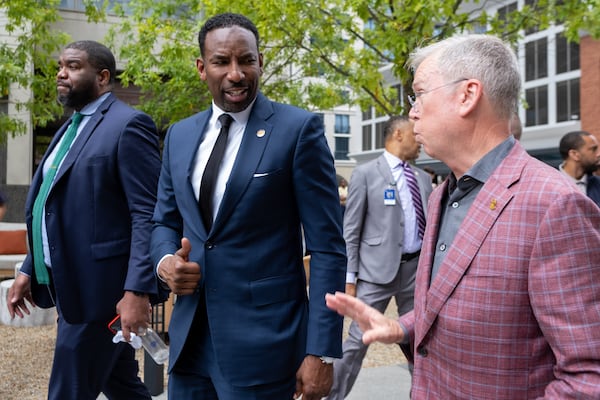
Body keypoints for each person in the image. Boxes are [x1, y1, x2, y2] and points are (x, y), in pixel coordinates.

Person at [326, 34, 600, 399]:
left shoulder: (554, 204)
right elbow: (454, 303)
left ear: (467, 96)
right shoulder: (443, 194)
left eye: (419, 94)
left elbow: (587, 375)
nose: (412, 112)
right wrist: (402, 328)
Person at [150, 13, 346, 400]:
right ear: (202, 68)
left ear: (261, 63)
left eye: (247, 61)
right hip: (189, 342)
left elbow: (327, 247)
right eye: (222, 62)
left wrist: (321, 350)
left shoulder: (298, 130)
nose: (236, 73)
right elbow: (163, 221)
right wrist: (165, 264)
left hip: (265, 345)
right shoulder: (179, 135)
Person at [7, 40, 162, 400]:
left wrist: (137, 290)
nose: (62, 73)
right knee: (121, 385)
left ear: (103, 77)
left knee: (68, 391)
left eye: (73, 66)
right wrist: (29, 268)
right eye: (60, 65)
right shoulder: (69, 129)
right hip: (69, 286)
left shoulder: (129, 125)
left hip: (102, 294)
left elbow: (146, 214)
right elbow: (51, 207)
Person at [326, 115, 431, 400]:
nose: (419, 139)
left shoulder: (423, 178)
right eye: (413, 134)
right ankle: (332, 396)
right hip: (375, 273)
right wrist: (350, 278)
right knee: (357, 342)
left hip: (415, 271)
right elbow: (351, 231)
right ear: (397, 133)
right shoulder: (366, 173)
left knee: (419, 342)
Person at [558, 130, 600, 205]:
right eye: (593, 149)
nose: (598, 154)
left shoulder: (597, 183)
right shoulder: (549, 185)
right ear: (574, 154)